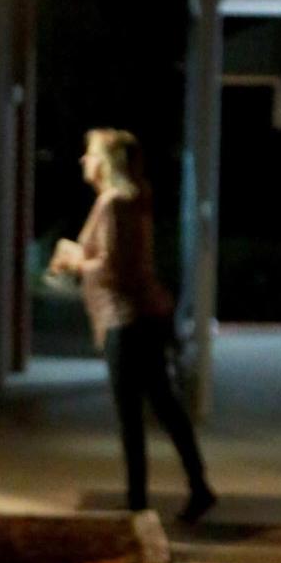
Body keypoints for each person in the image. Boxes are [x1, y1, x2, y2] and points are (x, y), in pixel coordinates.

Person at [48, 128, 217, 523]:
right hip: (138, 316)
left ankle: (141, 501)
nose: (82, 161)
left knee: (134, 412)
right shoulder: (129, 200)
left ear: (105, 162)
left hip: (125, 319)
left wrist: (74, 262)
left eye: (89, 154)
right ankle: (194, 487)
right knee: (163, 404)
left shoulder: (114, 204)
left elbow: (114, 268)